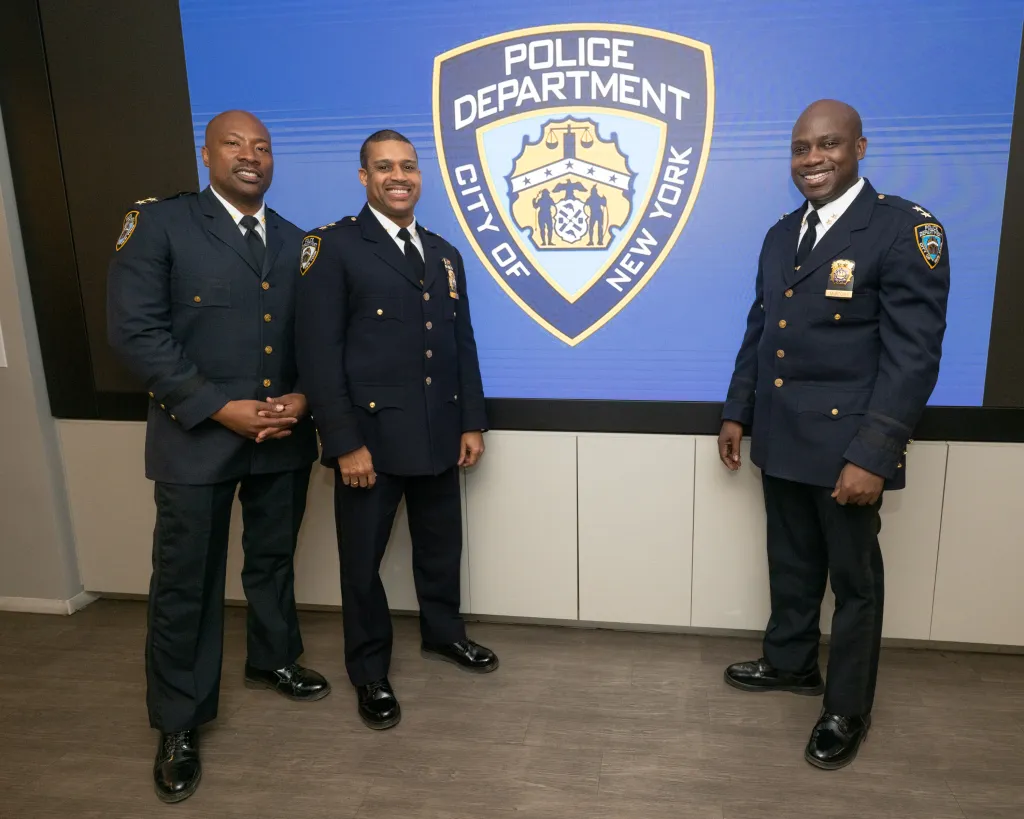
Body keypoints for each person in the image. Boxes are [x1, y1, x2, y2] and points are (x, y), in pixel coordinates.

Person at [717, 99, 950, 770]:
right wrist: (738, 411)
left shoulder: (904, 230)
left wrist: (874, 453)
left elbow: (913, 357)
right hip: (783, 437)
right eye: (801, 148)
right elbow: (763, 330)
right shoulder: (780, 235)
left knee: (854, 582)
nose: (812, 159)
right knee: (791, 563)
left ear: (859, 148)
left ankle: (847, 706)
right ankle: (791, 662)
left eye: (828, 145)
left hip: (849, 449)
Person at [107, 110, 330, 803]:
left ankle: (273, 659)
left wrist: (304, 397)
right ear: (206, 155)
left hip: (281, 437)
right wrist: (216, 406)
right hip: (195, 437)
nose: (250, 156)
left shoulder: (298, 242)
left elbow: (316, 339)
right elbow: (136, 332)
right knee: (186, 582)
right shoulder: (160, 224)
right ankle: (179, 719)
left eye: (262, 147)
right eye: (234, 144)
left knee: (272, 560)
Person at [295, 129, 498, 731]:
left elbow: (461, 345)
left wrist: (471, 421)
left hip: (438, 432)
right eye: (384, 167)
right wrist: (344, 442)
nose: (398, 177)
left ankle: (443, 633)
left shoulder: (443, 253)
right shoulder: (332, 247)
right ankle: (369, 670)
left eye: (408, 166)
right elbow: (319, 356)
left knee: (441, 547)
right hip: (370, 443)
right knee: (362, 564)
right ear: (364, 177)